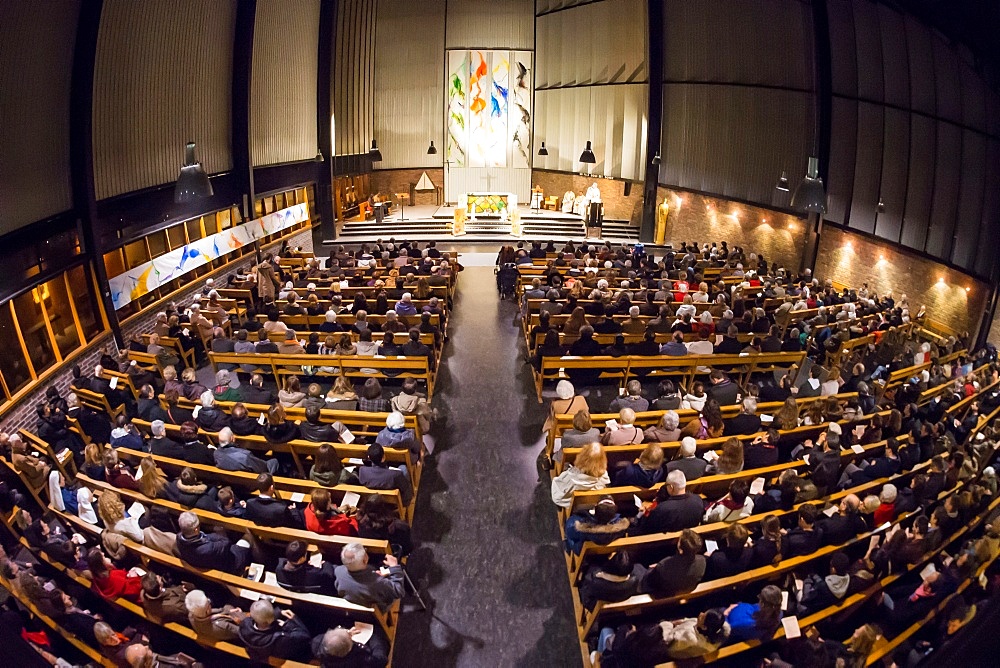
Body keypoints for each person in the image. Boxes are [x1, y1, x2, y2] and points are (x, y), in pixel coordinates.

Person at [175, 511, 251, 574]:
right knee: (249, 536)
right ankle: (260, 559)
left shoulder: (179, 538)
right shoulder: (207, 548)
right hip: (231, 563)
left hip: (207, 562)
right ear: (195, 530)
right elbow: (227, 542)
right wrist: (217, 532)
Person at [334, 542, 405, 610]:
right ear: (365, 560)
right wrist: (394, 567)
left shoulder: (338, 571)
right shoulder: (377, 583)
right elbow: (399, 591)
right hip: (379, 605)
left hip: (356, 601)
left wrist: (375, 575)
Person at [239, 599, 312, 662]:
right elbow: (305, 636)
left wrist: (279, 612)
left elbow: (264, 620)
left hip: (260, 652)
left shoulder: (244, 625)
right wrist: (291, 621)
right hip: (286, 653)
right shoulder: (280, 638)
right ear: (270, 620)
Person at [640, 529, 706, 598]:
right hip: (685, 586)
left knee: (639, 568)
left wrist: (653, 568)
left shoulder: (664, 565)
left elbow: (651, 580)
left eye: (679, 541)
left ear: (681, 550)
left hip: (664, 590)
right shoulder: (702, 561)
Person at [634, 470, 704, 534]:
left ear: (671, 487)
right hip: (687, 535)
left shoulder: (663, 508)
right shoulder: (698, 500)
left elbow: (647, 527)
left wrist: (640, 515)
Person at [563, 496, 630, 554]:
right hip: (606, 551)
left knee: (570, 526)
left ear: (596, 510)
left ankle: (567, 546)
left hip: (585, 552)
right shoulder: (621, 527)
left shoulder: (584, 528)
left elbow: (570, 532)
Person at [551, 442, 610, 508]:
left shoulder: (572, 477)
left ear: (583, 456)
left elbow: (558, 495)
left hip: (573, 503)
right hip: (591, 503)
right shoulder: (604, 475)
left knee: (557, 484)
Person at [312, 626, 391, 668]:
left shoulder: (317, 643)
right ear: (349, 649)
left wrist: (346, 634)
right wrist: (374, 636)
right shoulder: (359, 657)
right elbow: (380, 660)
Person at [214, 427, 279, 474]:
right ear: (232, 438)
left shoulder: (216, 453)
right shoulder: (245, 455)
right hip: (251, 484)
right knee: (274, 461)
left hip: (233, 481)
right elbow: (263, 468)